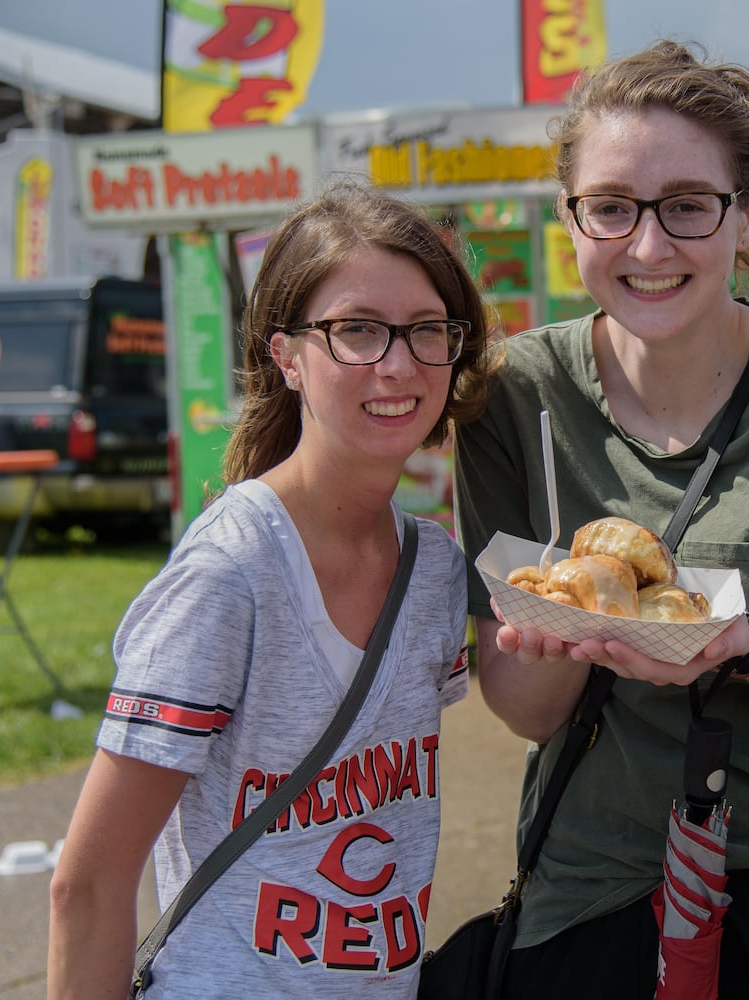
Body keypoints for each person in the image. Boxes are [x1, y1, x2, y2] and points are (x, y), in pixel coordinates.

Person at [453, 39, 749, 1000]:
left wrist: (742, 647)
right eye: (613, 207)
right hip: (594, 879)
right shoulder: (515, 398)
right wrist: (565, 634)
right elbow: (524, 713)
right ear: (569, 218)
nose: (650, 247)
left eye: (688, 206)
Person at [48, 181, 498, 999]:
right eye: (356, 330)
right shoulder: (230, 577)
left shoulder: (434, 572)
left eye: (426, 330)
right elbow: (88, 884)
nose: (398, 363)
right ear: (286, 354)